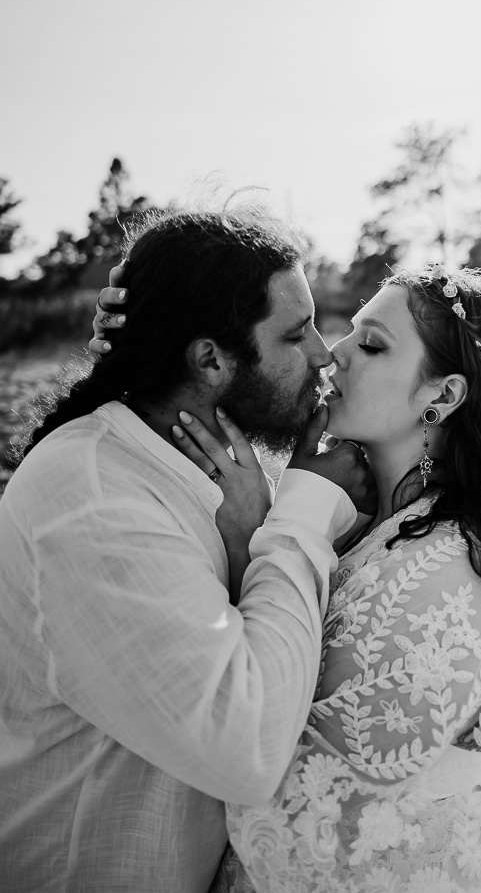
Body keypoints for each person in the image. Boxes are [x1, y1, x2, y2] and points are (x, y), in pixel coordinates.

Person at [100, 264, 481, 891]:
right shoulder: (367, 521)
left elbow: (295, 800)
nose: (334, 352)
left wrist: (262, 532)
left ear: (440, 399)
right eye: (352, 331)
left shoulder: (449, 574)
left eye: (371, 345)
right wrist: (146, 347)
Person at [0, 207, 372, 893]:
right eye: (295, 334)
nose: (324, 353)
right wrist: (293, 518)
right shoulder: (91, 498)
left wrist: (250, 537)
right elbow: (249, 748)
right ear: (208, 359)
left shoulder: (220, 469)